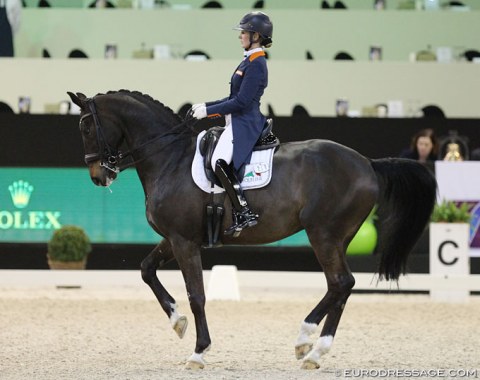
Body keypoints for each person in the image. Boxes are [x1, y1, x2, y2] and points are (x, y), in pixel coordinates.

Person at [191, 11, 273, 236]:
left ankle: (243, 211)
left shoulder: (257, 63)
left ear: (255, 35)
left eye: (244, 32)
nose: (240, 36)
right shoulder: (248, 60)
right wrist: (206, 106)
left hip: (245, 122)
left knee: (219, 161)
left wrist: (208, 111)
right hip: (236, 120)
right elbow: (231, 99)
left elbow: (242, 102)